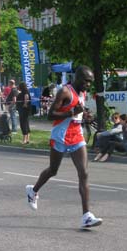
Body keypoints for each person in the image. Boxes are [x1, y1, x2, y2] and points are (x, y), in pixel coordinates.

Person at [25, 65, 102, 230]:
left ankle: (86, 216)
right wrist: (72, 112)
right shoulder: (65, 92)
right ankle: (33, 190)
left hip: (76, 135)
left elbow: (77, 113)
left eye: (90, 82)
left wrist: (84, 116)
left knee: (84, 173)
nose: (88, 85)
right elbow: (50, 115)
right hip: (60, 135)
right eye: (86, 81)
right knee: (53, 170)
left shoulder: (82, 92)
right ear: (77, 79)